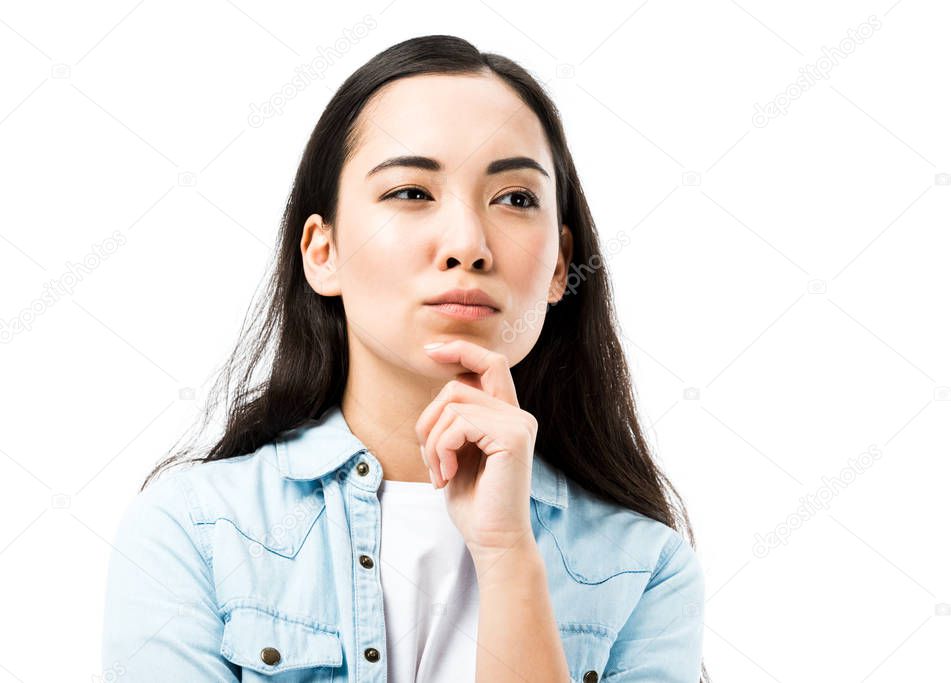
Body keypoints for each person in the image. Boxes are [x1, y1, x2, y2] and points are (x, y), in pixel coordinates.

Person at [100, 34, 707, 682]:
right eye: (411, 193)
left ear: (560, 266)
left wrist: (506, 557)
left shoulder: (644, 568)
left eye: (515, 198)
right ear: (321, 251)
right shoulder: (195, 530)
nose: (467, 244)